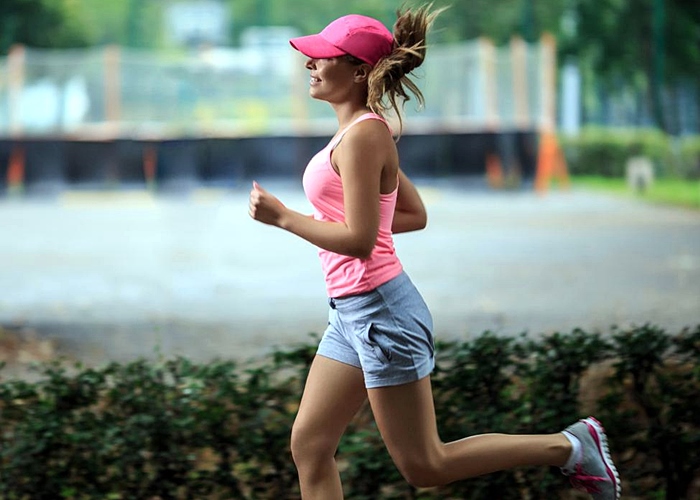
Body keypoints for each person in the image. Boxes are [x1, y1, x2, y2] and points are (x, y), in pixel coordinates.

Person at [248, 5, 620, 500]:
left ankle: (569, 447)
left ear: (359, 70)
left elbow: (360, 241)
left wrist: (285, 218)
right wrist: (351, 227)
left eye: (323, 56)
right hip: (352, 313)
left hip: (382, 313)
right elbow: (412, 214)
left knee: (426, 465)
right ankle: (569, 446)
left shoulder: (364, 136)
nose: (309, 64)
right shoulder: (360, 131)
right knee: (310, 445)